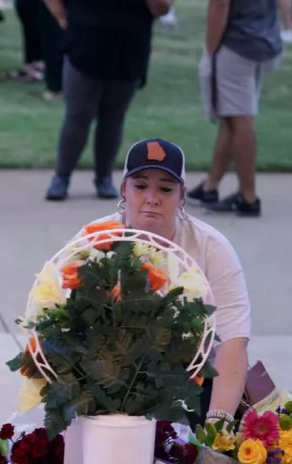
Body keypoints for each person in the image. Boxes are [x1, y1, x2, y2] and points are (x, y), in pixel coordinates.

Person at [80, 138, 251, 428]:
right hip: (105, 385)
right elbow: (64, 325)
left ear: (182, 196)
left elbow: (232, 341)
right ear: (124, 189)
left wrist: (217, 426)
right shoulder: (93, 241)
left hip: (192, 384)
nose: (152, 197)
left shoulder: (211, 247)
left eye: (166, 189)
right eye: (141, 185)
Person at [36, 0, 172, 201]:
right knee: (77, 119)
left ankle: (103, 178)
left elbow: (163, 6)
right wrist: (60, 14)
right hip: (85, 57)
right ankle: (62, 177)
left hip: (127, 60)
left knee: (112, 121)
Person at [189, 0, 284, 216]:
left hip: (236, 42)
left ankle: (248, 196)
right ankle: (211, 185)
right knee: (233, 114)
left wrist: (212, 47)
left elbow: (220, 0)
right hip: (265, 37)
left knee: (240, 117)